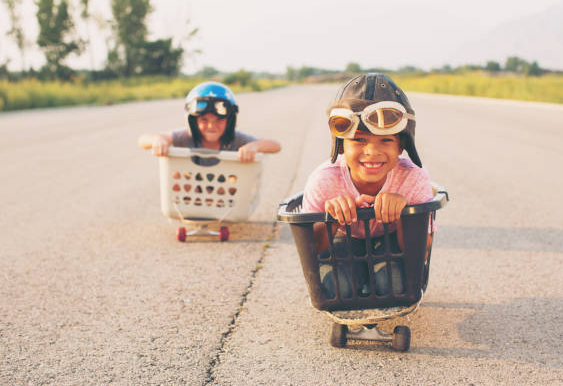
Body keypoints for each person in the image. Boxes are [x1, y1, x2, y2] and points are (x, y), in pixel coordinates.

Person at [301, 73, 435, 300]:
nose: (372, 151)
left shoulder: (413, 177)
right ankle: (358, 280)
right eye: (359, 140)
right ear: (341, 144)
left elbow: (422, 250)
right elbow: (312, 248)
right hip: (343, 239)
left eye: (386, 140)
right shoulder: (324, 180)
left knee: (392, 284)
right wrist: (332, 218)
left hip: (392, 239)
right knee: (335, 288)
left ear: (402, 145)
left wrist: (405, 216)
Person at [138, 81, 281, 161]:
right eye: (204, 120)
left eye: (219, 120)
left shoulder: (235, 139)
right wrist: (158, 140)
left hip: (226, 200)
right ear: (193, 121)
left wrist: (254, 146)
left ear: (230, 121)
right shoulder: (185, 137)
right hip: (187, 195)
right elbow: (143, 140)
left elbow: (275, 146)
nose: (211, 126)